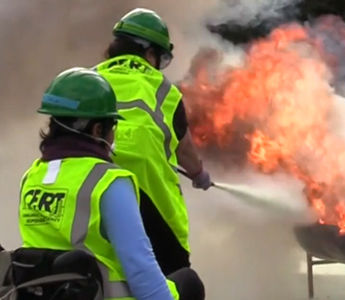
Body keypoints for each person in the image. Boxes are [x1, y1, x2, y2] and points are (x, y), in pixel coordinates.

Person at [16, 67, 204, 300]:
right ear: (97, 130)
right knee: (188, 281)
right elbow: (143, 275)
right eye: (112, 127)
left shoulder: (31, 177)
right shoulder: (108, 183)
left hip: (48, 294)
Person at [94, 8, 212, 275]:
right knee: (176, 278)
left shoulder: (90, 80)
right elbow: (185, 151)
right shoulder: (164, 91)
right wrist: (199, 174)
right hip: (151, 204)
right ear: (149, 53)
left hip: (91, 196)